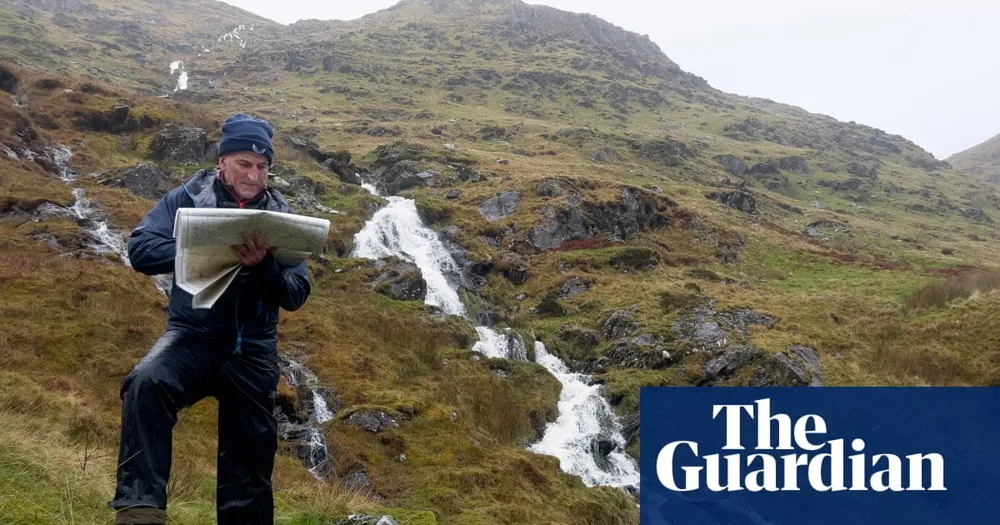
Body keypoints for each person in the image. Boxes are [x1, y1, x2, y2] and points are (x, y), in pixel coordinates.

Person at [108, 114, 312, 525]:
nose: (254, 175)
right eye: (244, 164)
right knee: (146, 383)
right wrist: (200, 249)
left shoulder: (281, 215)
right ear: (222, 162)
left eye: (262, 167)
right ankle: (139, 513)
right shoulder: (186, 196)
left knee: (250, 456)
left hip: (253, 348)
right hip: (191, 337)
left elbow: (295, 293)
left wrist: (263, 268)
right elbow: (141, 250)